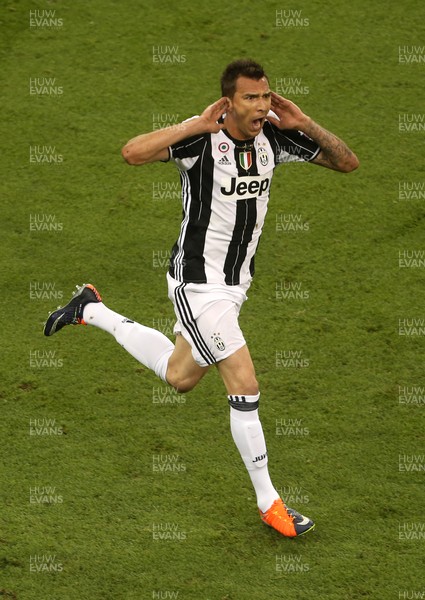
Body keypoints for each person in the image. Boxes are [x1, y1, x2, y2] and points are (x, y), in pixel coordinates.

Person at [44, 59, 358, 538]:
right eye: (251, 98)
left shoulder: (275, 136)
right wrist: (193, 123)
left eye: (266, 96)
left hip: (235, 287)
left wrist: (305, 122)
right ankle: (269, 501)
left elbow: (346, 162)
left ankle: (90, 307)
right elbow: (131, 153)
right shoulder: (201, 140)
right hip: (196, 283)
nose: (261, 105)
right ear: (228, 102)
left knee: (180, 376)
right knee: (245, 382)